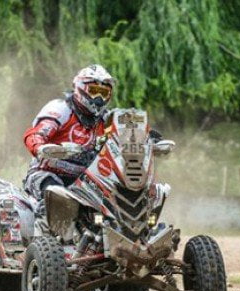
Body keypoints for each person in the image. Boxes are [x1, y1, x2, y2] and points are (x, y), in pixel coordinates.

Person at [22, 64, 161, 233]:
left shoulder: (107, 119)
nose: (99, 98)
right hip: (47, 173)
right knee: (54, 192)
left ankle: (131, 234)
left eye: (104, 93)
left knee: (121, 197)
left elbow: (130, 130)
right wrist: (40, 146)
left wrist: (148, 137)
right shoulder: (61, 109)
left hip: (86, 179)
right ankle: (43, 245)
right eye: (94, 90)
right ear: (81, 88)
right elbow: (36, 133)